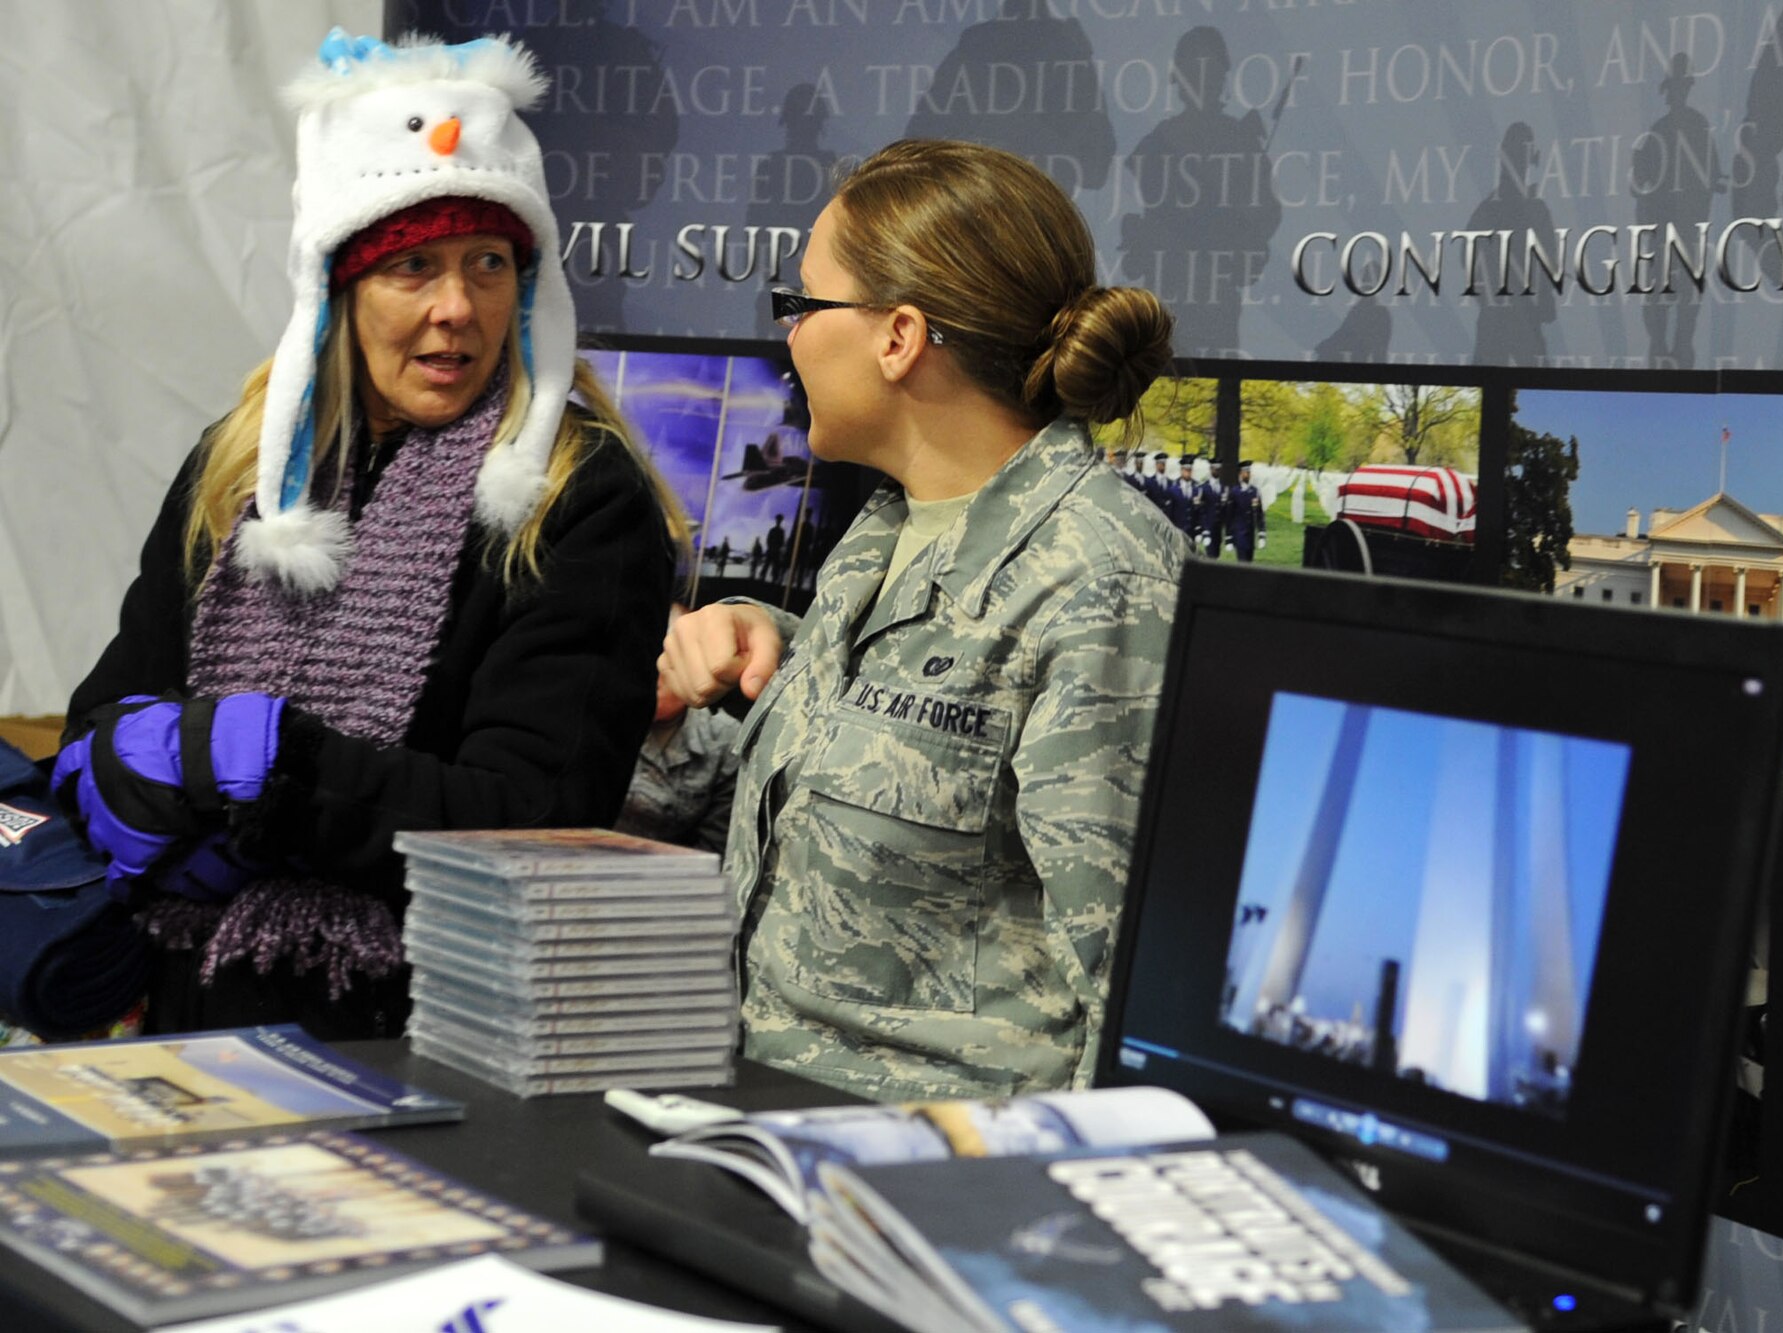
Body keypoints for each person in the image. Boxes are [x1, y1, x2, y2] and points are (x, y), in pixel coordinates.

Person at [54, 29, 682, 1040]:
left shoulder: (578, 502)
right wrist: (164, 769)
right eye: (414, 267)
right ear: (339, 289)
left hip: (420, 1034)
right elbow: (105, 722)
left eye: (488, 263)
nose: (456, 309)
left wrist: (268, 768)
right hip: (184, 1011)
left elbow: (530, 815)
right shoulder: (242, 470)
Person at [658, 139, 1183, 1101]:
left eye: (804, 306)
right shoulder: (883, 535)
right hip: (759, 1134)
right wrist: (743, 642)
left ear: (898, 337)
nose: (790, 336)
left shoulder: (1102, 579)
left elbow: (1132, 1001)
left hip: (944, 1193)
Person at [616, 608, 741, 856]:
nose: (655, 667)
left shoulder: (722, 741)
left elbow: (714, 849)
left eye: (667, 656)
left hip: (669, 881)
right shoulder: (602, 717)